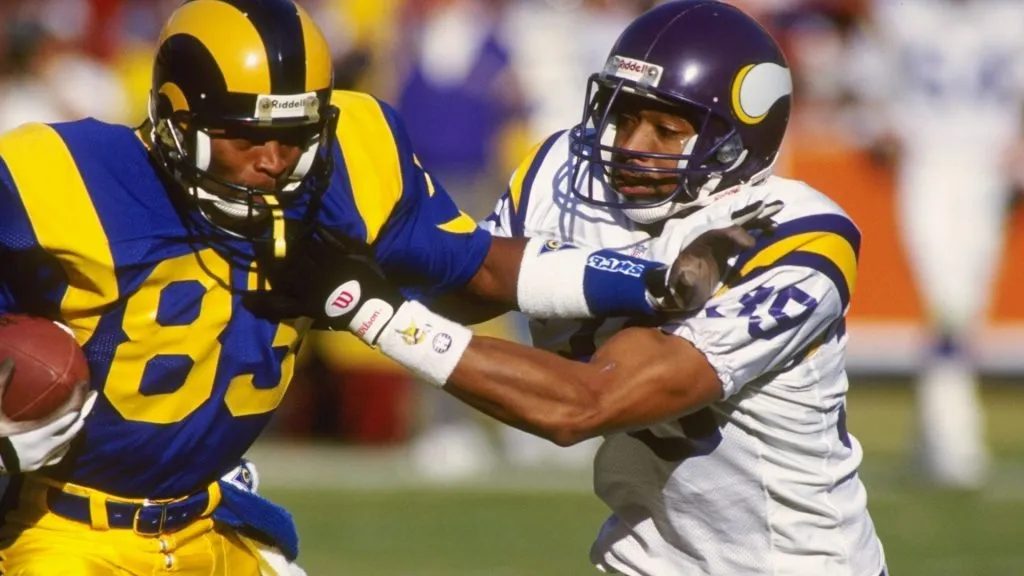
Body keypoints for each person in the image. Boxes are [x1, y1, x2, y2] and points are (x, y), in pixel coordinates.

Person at [0, 0, 744, 573]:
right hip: (67, 533)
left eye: (295, 134)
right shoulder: (61, 182)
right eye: (244, 135)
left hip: (208, 522)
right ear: (172, 120)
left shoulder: (346, 161)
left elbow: (480, 266)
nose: (274, 159)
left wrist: (650, 283)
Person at [294, 2, 888, 574]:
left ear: (736, 143)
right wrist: (373, 241)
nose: (631, 146)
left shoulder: (793, 237)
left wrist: (372, 311)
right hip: (647, 556)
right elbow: (475, 283)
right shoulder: (568, 171)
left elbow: (584, 404)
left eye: (666, 129)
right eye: (625, 115)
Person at [859, 0, 1024, 489]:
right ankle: (954, 440)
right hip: (928, 166)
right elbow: (873, 81)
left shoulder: (1010, 17)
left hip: (986, 167)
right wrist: (883, 123)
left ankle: (937, 433)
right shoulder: (900, 15)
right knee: (948, 303)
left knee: (963, 307)